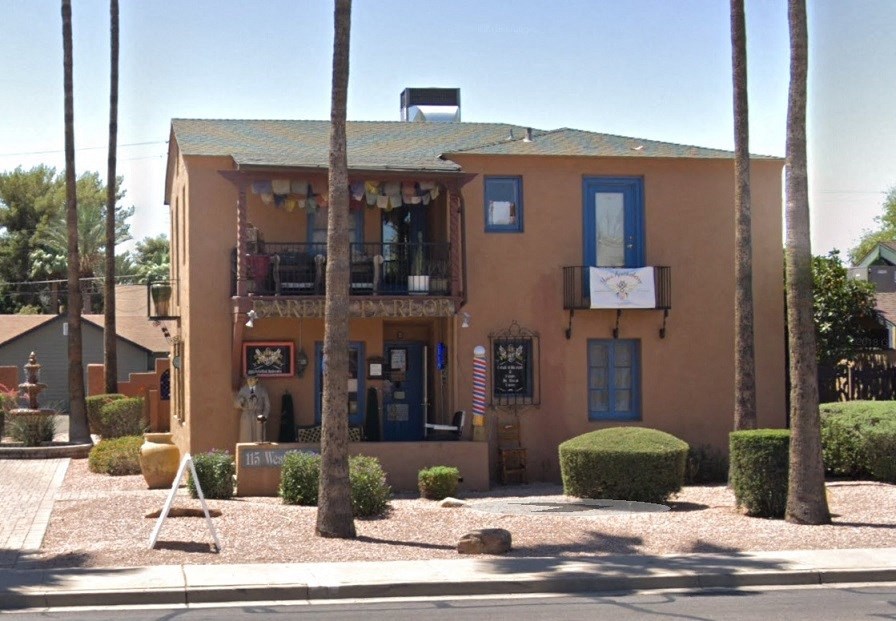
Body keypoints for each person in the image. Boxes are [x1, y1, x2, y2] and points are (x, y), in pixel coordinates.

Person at [234, 372, 270, 443]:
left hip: (258, 415)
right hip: (247, 416)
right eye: (248, 379)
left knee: (258, 437)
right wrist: (240, 402)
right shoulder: (243, 390)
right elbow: (235, 404)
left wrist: (264, 417)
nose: (250, 380)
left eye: (252, 379)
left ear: (256, 379)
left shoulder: (262, 390)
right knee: (246, 436)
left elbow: (267, 405)